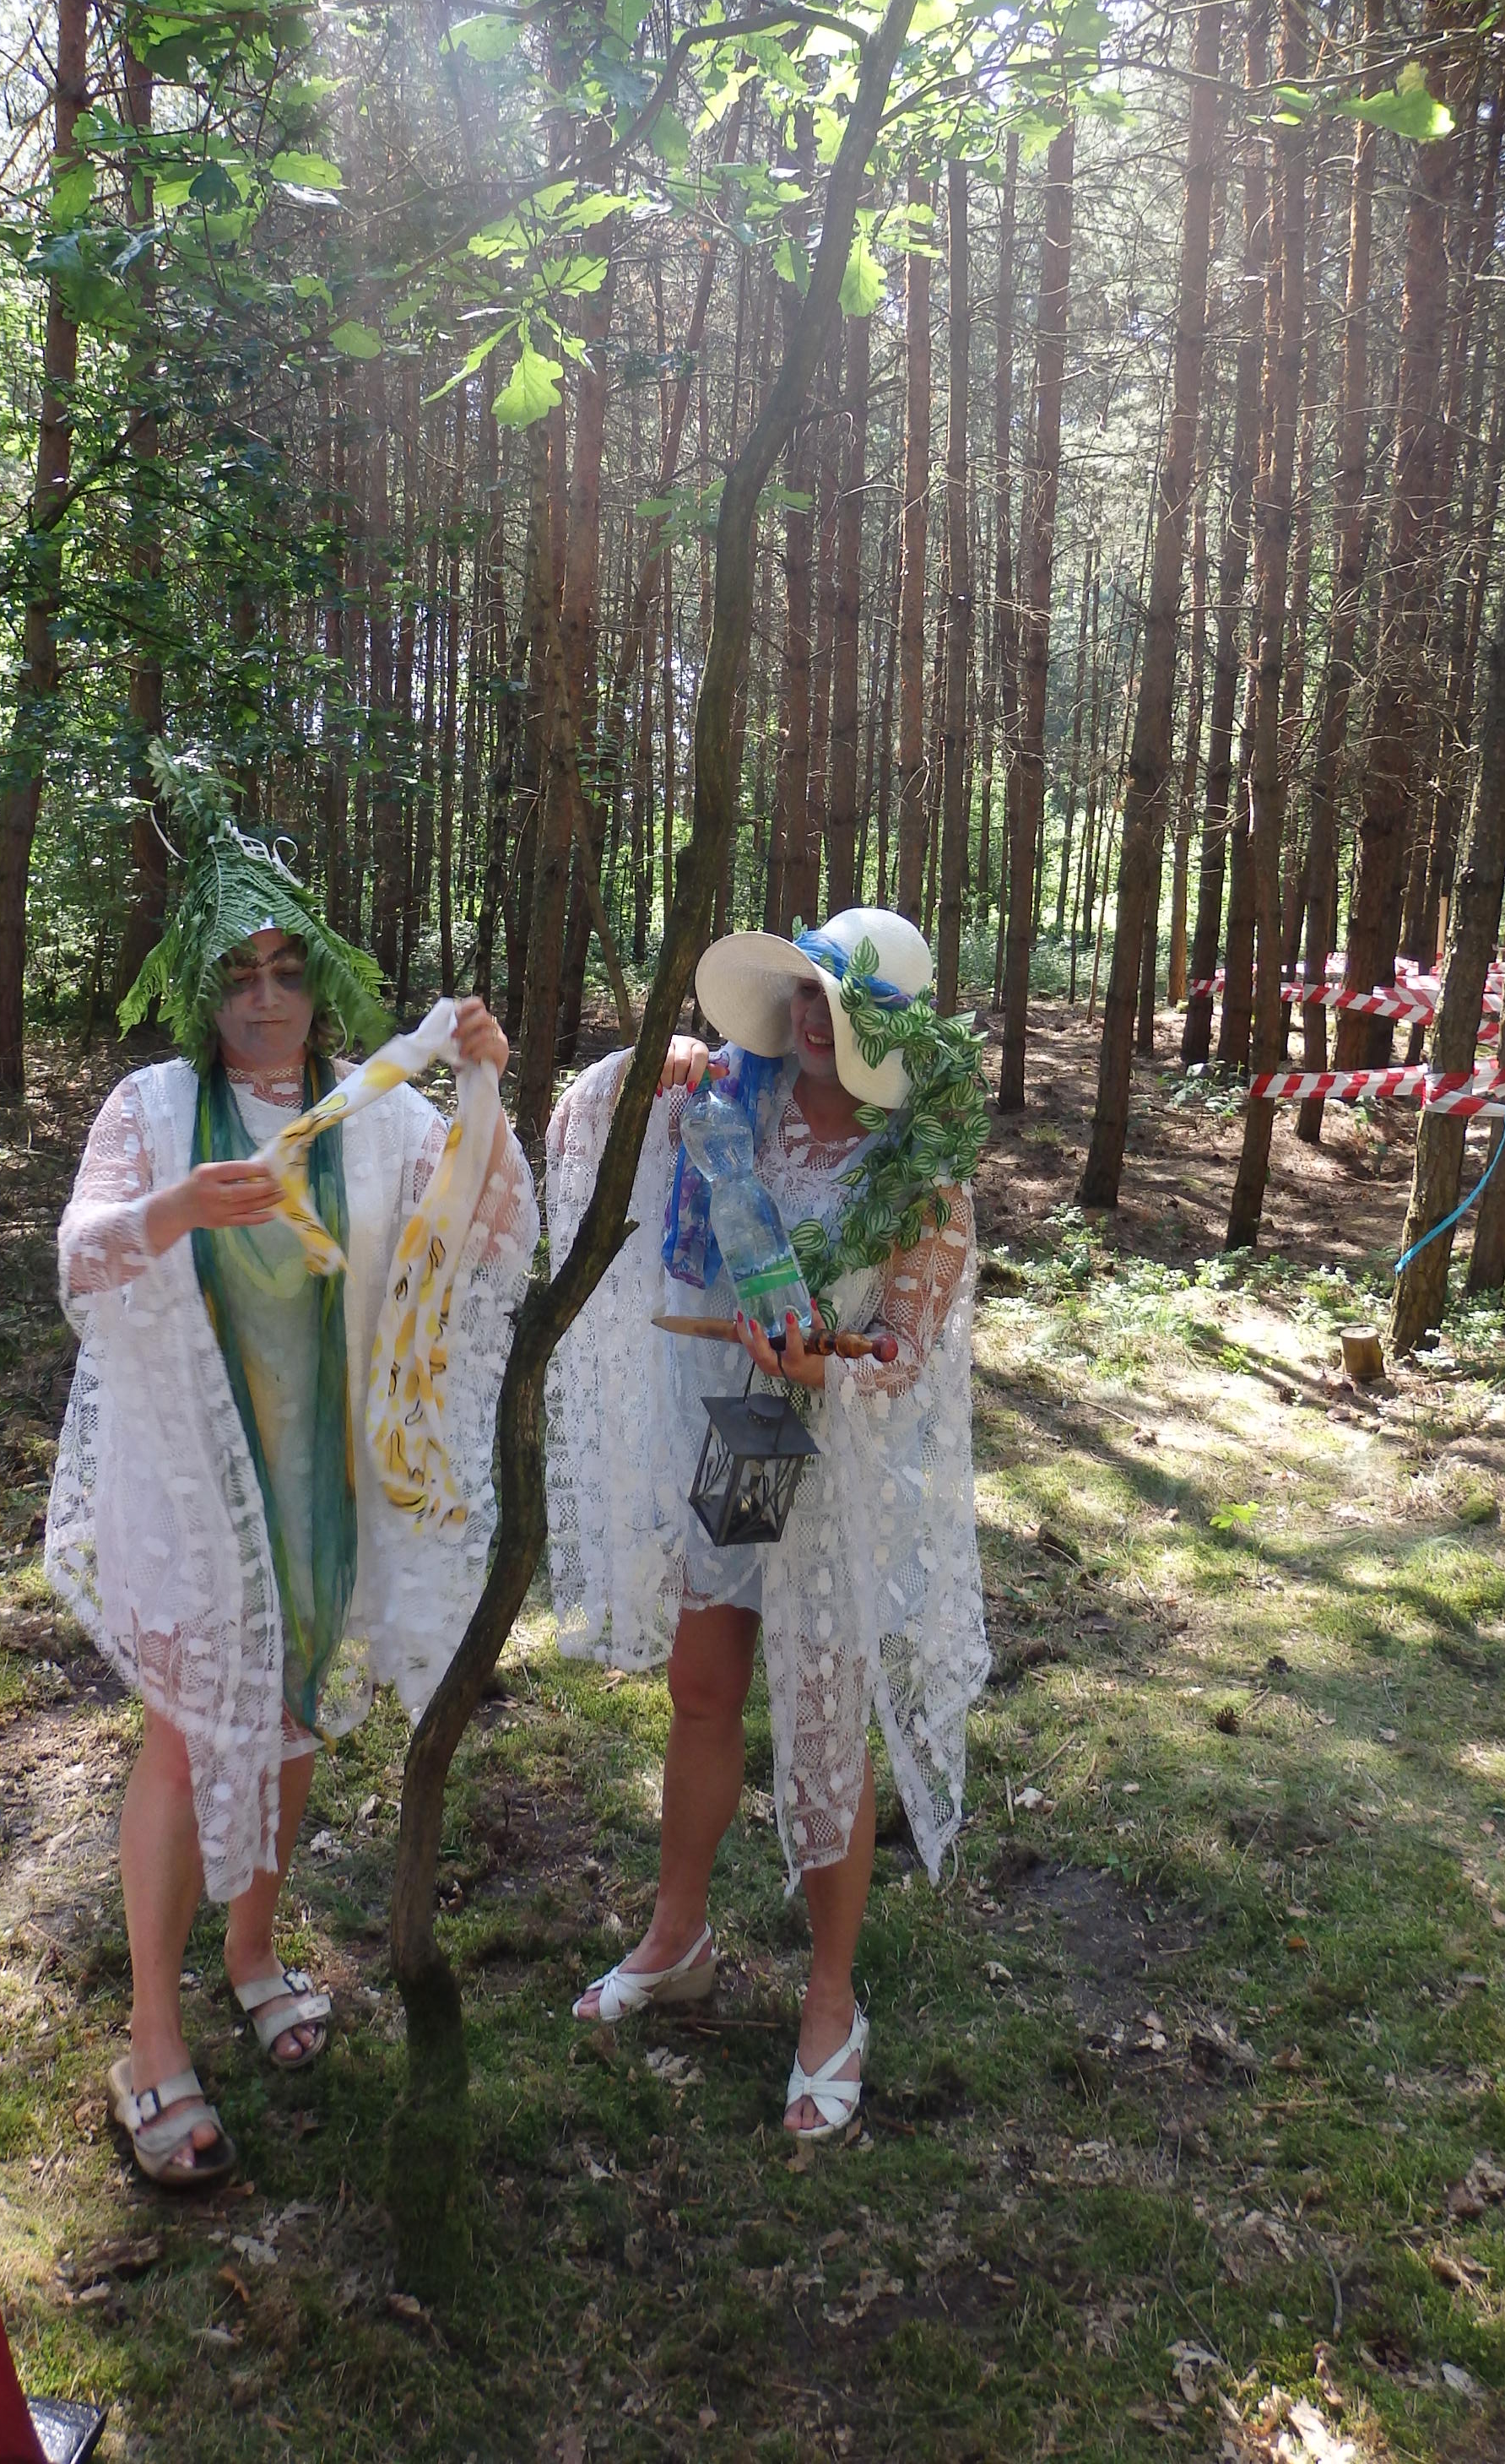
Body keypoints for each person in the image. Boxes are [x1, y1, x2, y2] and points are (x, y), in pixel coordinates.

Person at [47, 803, 536, 2186]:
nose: (263, 1000)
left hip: (327, 1492)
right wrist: (173, 1212)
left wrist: (484, 1088)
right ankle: (152, 2036)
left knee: (295, 1713)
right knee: (185, 1739)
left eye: (285, 971)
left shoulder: (380, 1118)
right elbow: (80, 1258)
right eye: (236, 976)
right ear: (201, 993)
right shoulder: (152, 1112)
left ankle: (252, 1954)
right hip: (196, 1486)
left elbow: (491, 1230)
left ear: (322, 983)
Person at [544, 907, 990, 2138]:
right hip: (744, 1441)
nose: (810, 1017)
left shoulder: (923, 1177)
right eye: (803, 991)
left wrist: (825, 1368)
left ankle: (831, 2004)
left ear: (885, 1038)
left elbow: (907, 1353)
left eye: (836, 1005)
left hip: (834, 1475)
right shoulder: (733, 1103)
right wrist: (653, 1068)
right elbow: (587, 1126)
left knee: (823, 1731)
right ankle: (677, 1937)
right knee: (702, 1685)